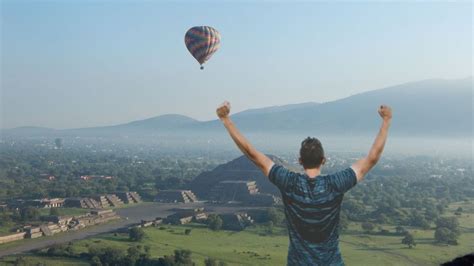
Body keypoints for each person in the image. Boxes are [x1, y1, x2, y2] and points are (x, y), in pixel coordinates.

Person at [216, 101, 392, 266]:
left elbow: (252, 154)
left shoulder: (289, 183)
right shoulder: (335, 184)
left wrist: (226, 120)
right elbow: (372, 158)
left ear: (300, 160)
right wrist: (386, 120)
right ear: (324, 160)